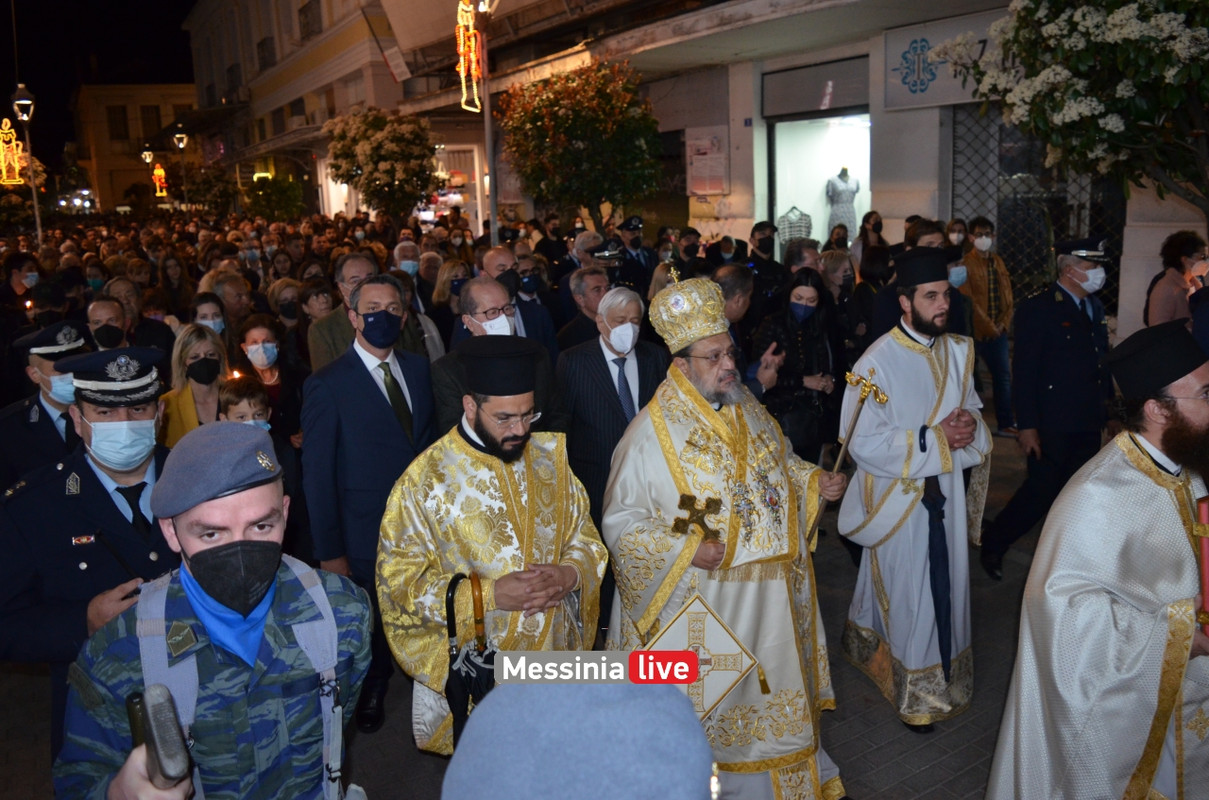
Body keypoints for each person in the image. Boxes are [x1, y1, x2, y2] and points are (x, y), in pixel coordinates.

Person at [603, 277, 849, 799]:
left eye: (729, 352)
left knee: (771, 717)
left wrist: (813, 482)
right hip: (705, 606)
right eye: (713, 357)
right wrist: (688, 548)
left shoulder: (748, 408)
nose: (728, 365)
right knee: (702, 726)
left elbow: (781, 464)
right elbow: (620, 523)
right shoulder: (649, 433)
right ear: (682, 364)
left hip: (772, 607)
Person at [53, 422, 372, 799]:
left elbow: (338, 717)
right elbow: (78, 780)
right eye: (211, 534)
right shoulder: (117, 656)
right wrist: (117, 793)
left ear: (285, 513)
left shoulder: (343, 614)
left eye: (260, 526)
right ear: (171, 532)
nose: (240, 553)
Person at [987, 320, 1209, 799]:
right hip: (1129, 718)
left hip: (1182, 703)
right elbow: (1063, 622)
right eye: (1206, 394)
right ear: (1157, 409)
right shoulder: (1098, 494)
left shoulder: (1185, 468)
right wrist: (1180, 636)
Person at [377, 334, 607, 755]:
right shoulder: (424, 481)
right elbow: (400, 587)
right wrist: (488, 595)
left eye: (527, 414)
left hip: (556, 661)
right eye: (504, 418)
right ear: (470, 405)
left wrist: (570, 574)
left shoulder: (549, 458)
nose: (520, 430)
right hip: (483, 677)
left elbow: (585, 537)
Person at [836, 246, 992, 732]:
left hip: (942, 490)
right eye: (931, 296)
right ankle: (916, 692)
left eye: (946, 294)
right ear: (905, 302)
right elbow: (860, 441)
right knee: (911, 595)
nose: (942, 304)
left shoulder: (957, 350)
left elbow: (970, 409)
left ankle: (945, 673)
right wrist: (934, 438)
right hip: (897, 502)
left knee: (944, 590)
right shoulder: (874, 366)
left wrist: (966, 424)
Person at [0, 347, 179, 756]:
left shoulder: (198, 483)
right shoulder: (34, 505)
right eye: (105, 413)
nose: (125, 424)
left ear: (159, 416)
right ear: (78, 421)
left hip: (206, 703)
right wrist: (82, 622)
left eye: (138, 410)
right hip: (99, 719)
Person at [301, 273, 435, 734]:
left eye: (394, 308)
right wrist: (330, 553)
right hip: (363, 530)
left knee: (421, 610)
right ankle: (372, 686)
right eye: (372, 308)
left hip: (421, 526)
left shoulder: (419, 370)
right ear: (354, 316)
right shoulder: (327, 384)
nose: (384, 316)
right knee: (373, 621)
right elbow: (317, 476)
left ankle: (428, 683)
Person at [980, 238, 1115, 581]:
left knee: (1076, 492)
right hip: (1051, 421)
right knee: (1040, 492)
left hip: (1085, 418)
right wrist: (1027, 426)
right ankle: (995, 543)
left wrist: (1108, 412)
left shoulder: (1094, 308)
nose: (1099, 273)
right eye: (1091, 267)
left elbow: (1100, 363)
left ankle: (1069, 563)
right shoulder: (1039, 308)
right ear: (1070, 271)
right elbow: (1024, 372)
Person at [431, 276, 567, 434]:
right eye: (492, 312)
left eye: (507, 308)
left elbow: (557, 414)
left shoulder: (537, 355)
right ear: (469, 322)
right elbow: (454, 432)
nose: (503, 318)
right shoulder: (447, 370)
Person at [753, 268, 847, 463]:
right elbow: (761, 377)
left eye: (811, 301)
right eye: (799, 297)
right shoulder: (772, 324)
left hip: (813, 418)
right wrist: (803, 381)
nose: (804, 305)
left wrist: (829, 379)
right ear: (789, 295)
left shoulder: (820, 324)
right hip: (781, 416)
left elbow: (828, 362)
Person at [0, 321, 90, 489]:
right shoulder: (9, 428)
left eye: (76, 365)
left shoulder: (109, 413)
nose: (72, 375)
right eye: (62, 369)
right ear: (34, 374)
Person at [959, 216, 1016, 436]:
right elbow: (970, 301)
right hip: (976, 333)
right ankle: (970, 426)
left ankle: (1005, 423)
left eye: (988, 234)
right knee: (970, 382)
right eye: (979, 234)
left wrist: (1003, 323)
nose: (984, 239)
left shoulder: (998, 261)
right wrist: (989, 326)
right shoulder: (966, 264)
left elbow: (1008, 295)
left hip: (998, 332)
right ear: (971, 237)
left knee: (1003, 378)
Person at [160, 323, 228, 447]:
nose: (204, 360)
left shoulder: (236, 396)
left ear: (220, 357)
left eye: (210, 355)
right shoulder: (167, 405)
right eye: (195, 357)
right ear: (182, 363)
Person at [1145, 229, 1205, 326]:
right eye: (1202, 257)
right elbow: (1159, 330)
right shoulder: (1166, 288)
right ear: (1184, 259)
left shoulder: (1195, 284)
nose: (1205, 262)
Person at [557, 265, 610, 351]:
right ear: (580, 299)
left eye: (607, 288)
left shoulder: (620, 324)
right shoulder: (568, 337)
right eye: (597, 290)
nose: (606, 294)